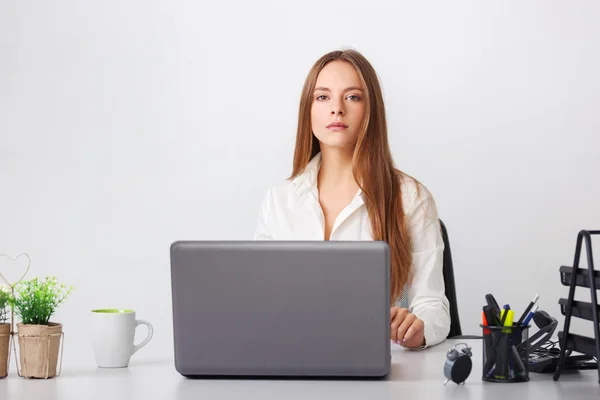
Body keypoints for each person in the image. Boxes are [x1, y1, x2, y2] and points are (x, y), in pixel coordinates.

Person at [253, 49, 450, 349]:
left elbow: (432, 304)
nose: (337, 109)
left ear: (371, 110)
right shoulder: (279, 201)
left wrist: (418, 328)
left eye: (353, 97)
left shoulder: (411, 198)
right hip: (293, 360)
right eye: (323, 97)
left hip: (381, 369)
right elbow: (258, 303)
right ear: (308, 110)